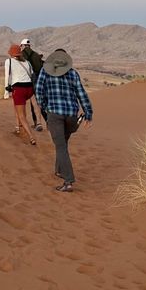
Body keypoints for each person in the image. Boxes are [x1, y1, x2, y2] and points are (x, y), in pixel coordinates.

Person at [35, 49, 94, 193]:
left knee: (60, 146)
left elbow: (38, 90)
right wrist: (88, 112)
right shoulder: (73, 73)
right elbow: (81, 93)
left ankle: (68, 181)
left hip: (55, 114)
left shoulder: (45, 72)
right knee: (62, 143)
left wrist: (44, 106)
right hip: (71, 115)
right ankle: (59, 170)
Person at [3, 44, 36, 145]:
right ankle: (18, 129)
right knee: (19, 108)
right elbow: (32, 74)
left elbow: (6, 76)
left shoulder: (9, 61)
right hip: (30, 89)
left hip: (19, 89)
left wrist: (6, 91)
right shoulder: (27, 62)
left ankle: (31, 137)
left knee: (22, 115)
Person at [20, 38, 46, 131]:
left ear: (22, 45)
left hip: (28, 80)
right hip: (39, 80)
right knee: (39, 101)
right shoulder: (36, 55)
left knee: (31, 102)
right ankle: (47, 121)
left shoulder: (21, 55)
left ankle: (36, 123)